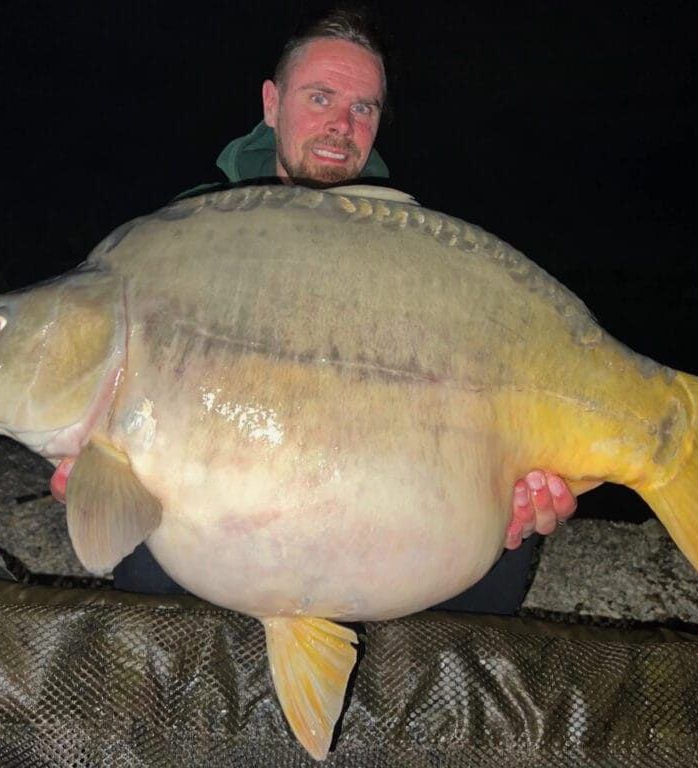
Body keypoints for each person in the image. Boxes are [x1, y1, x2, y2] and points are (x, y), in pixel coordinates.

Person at [112, 7, 579, 614]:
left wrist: (512, 485)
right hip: (222, 488)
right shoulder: (192, 229)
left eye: (363, 108)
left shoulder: (414, 247)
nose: (341, 125)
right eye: (321, 97)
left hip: (371, 480)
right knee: (139, 556)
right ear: (272, 103)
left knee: (503, 547)